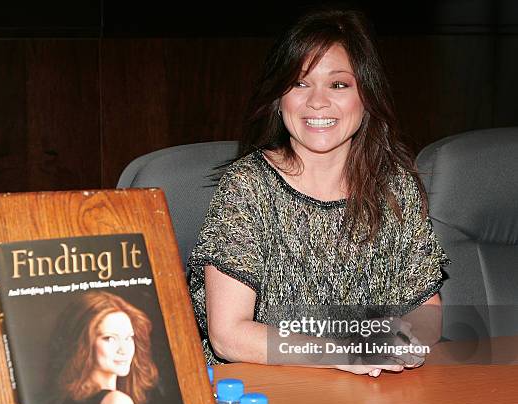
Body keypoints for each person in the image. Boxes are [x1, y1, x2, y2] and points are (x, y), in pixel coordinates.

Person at [188, 8, 449, 377]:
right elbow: (227, 335)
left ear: (366, 96)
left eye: (338, 84)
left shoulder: (395, 188)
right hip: (264, 400)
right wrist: (341, 351)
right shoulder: (247, 186)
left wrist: (403, 345)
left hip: (368, 403)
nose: (317, 101)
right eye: (299, 83)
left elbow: (428, 310)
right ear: (279, 99)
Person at [47, 291, 158, 404]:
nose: (124, 349)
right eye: (109, 338)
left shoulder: (66, 403)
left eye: (128, 338)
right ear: (83, 343)